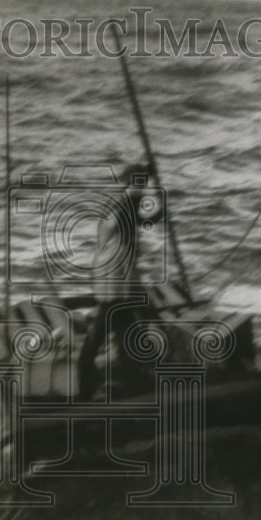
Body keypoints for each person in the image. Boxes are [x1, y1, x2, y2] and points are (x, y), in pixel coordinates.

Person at [76, 162, 161, 401]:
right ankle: (84, 388)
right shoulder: (122, 205)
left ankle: (131, 385)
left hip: (117, 283)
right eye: (141, 187)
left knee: (125, 334)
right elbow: (132, 199)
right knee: (103, 333)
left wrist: (149, 173)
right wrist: (146, 179)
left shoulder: (122, 206)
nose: (143, 192)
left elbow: (137, 216)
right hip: (113, 283)